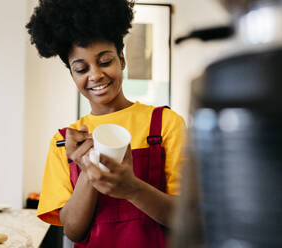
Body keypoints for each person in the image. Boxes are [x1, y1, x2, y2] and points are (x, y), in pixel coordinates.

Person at [26, 0, 185, 247]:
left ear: (122, 59)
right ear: (72, 74)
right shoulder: (63, 142)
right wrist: (87, 170)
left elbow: (186, 217)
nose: (95, 75)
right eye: (81, 68)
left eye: (105, 61)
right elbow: (73, 231)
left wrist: (132, 189)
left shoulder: (166, 124)